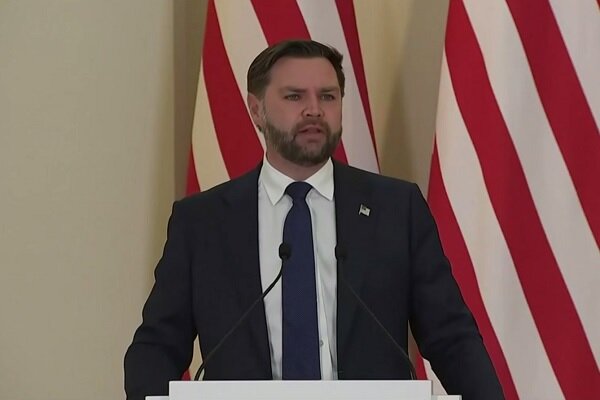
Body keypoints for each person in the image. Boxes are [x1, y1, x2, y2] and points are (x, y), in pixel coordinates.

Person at [124, 39, 504, 400]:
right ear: (256, 110)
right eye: (294, 96)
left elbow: (451, 337)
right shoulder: (202, 222)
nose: (314, 110)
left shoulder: (396, 209)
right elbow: (157, 346)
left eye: (327, 96)